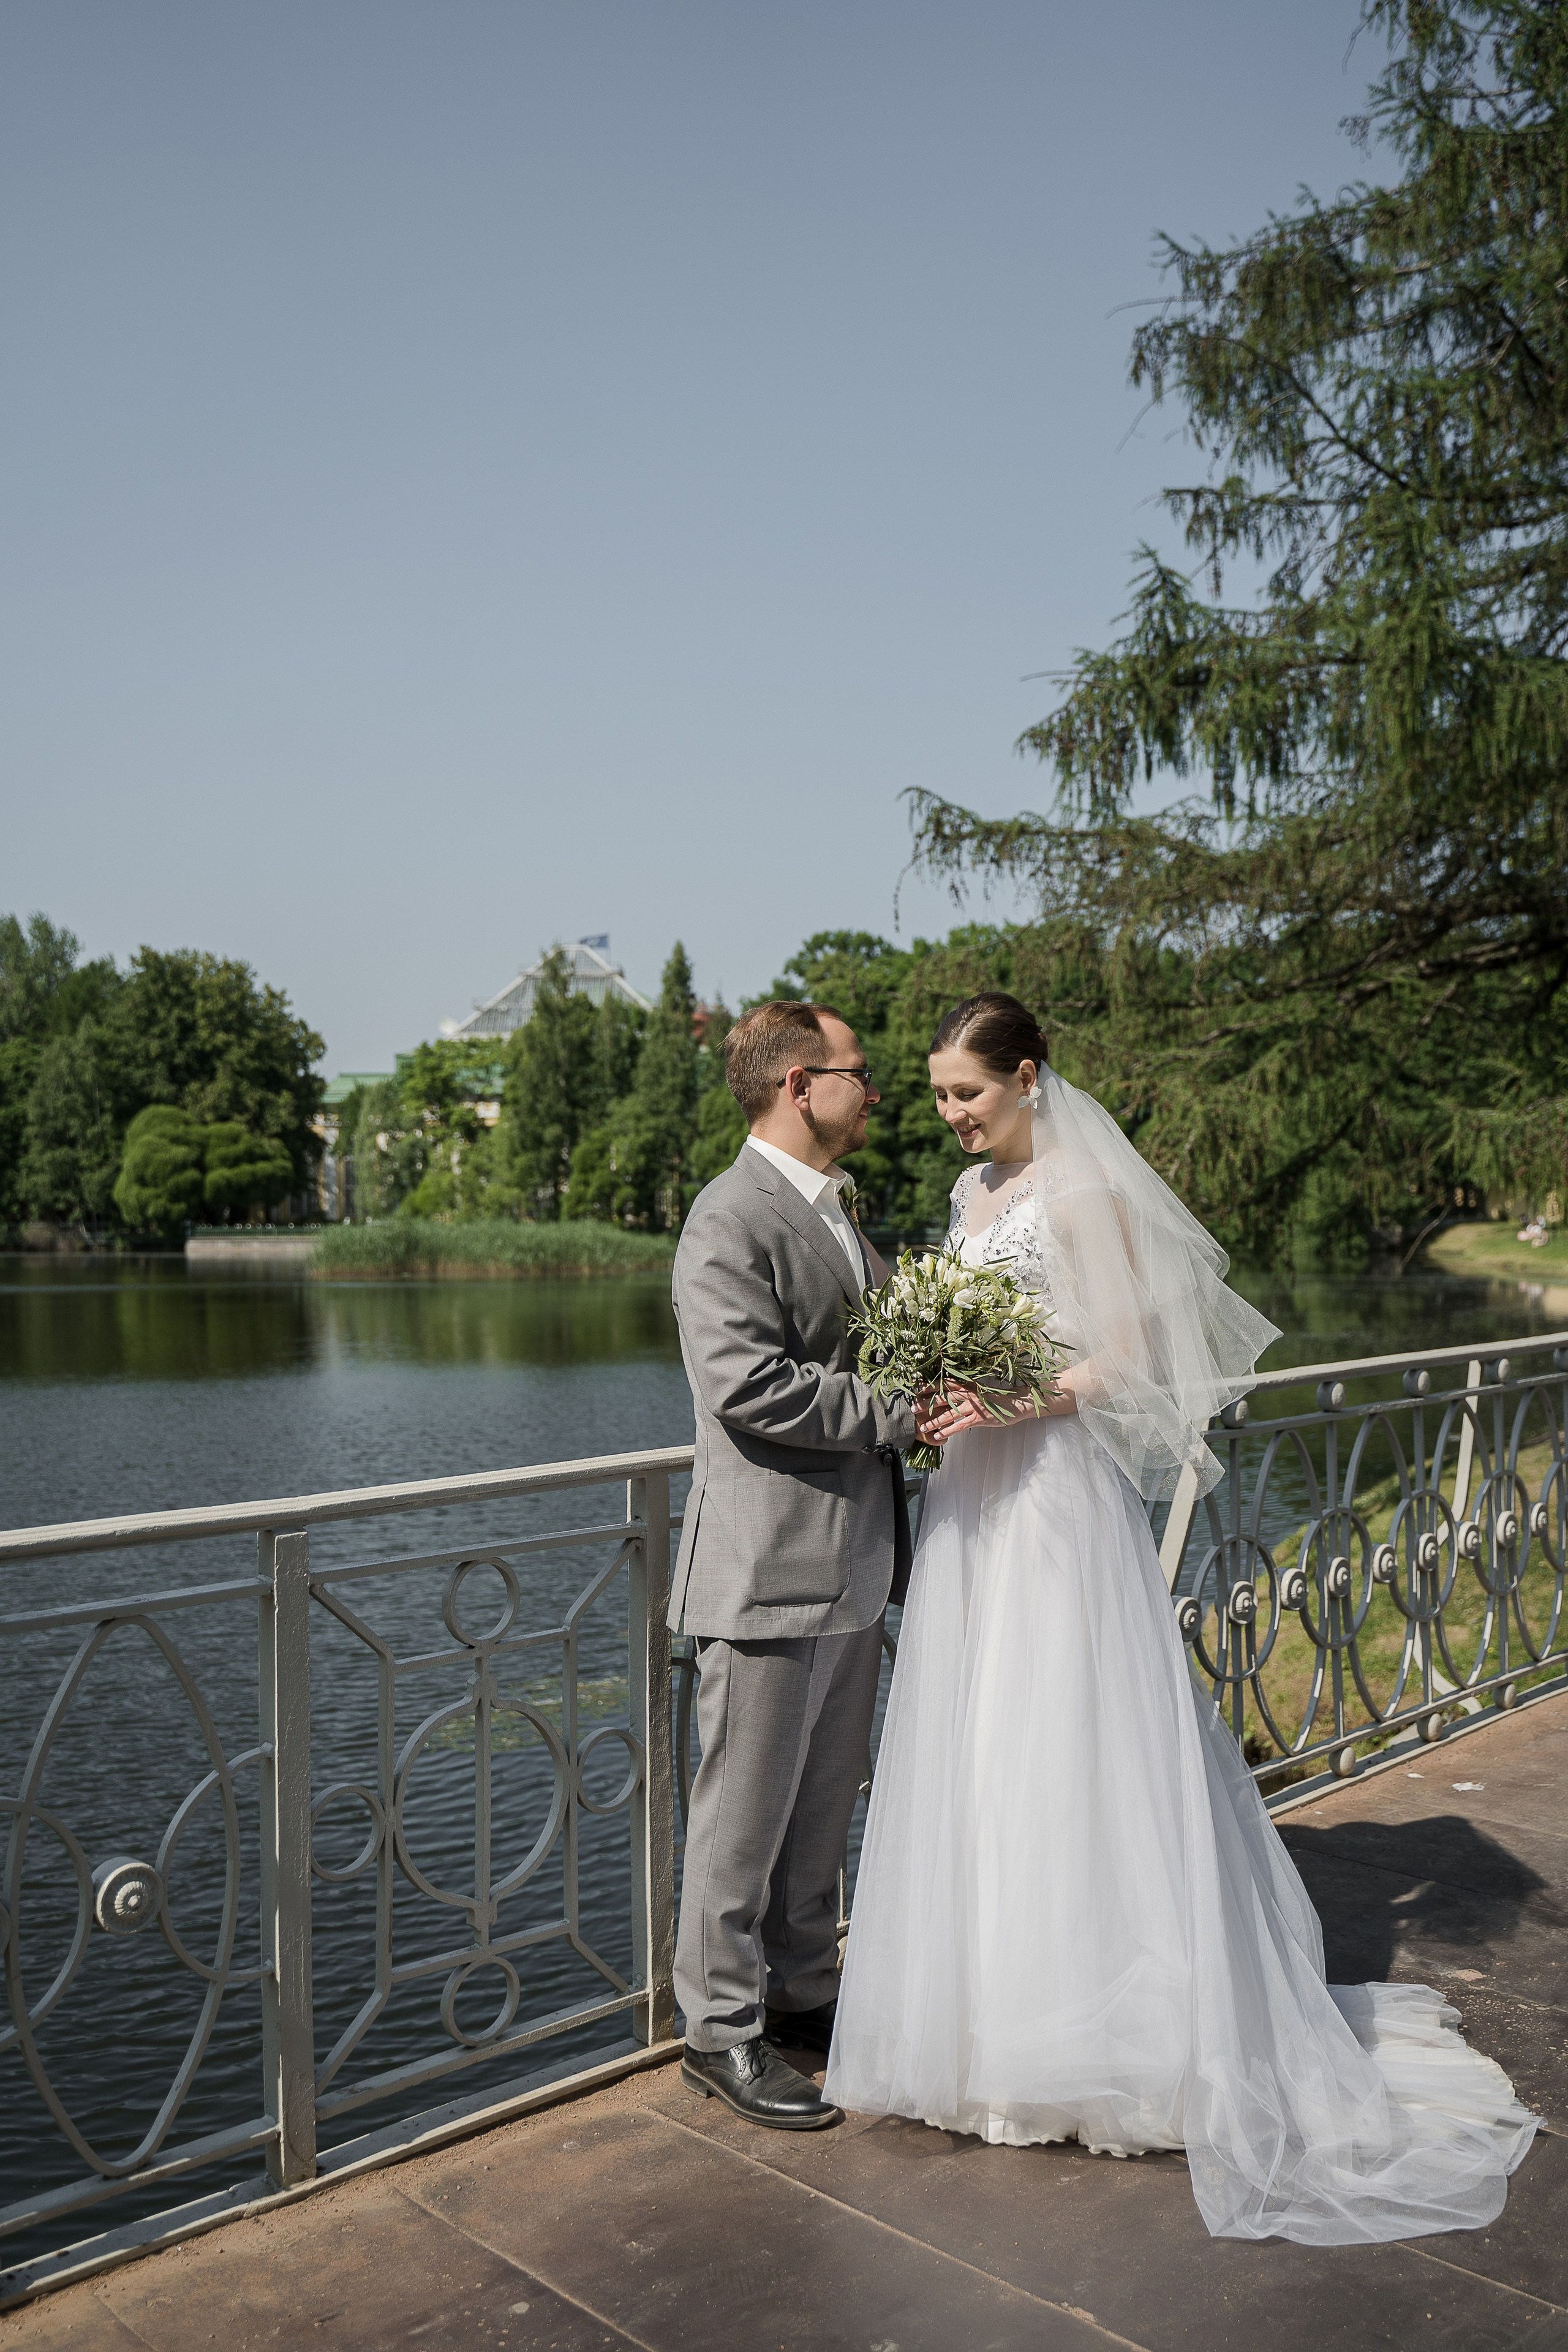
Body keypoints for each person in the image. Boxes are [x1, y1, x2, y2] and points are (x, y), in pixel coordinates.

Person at [824, 991, 1537, 2244]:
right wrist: (941, 1381)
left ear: (1027, 1079)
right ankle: (984, 2034)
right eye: (935, 1094)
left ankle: (1107, 2036)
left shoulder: (1080, 1197)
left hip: (1050, 1499)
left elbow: (1126, 1362)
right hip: (970, 1509)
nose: (945, 1116)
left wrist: (1007, 1401)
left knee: (1068, 1744)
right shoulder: (967, 1203)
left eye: (965, 1095)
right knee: (977, 1748)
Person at [669, 998, 944, 2129]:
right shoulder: (726, 1218)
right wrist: (907, 1411)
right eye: (857, 1072)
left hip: (854, 1568)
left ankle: (805, 1995)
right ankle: (718, 2034)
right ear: (798, 1084)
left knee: (822, 1813)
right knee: (739, 1822)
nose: (871, 1090)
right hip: (767, 1570)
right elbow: (747, 1385)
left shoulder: (840, 1213)